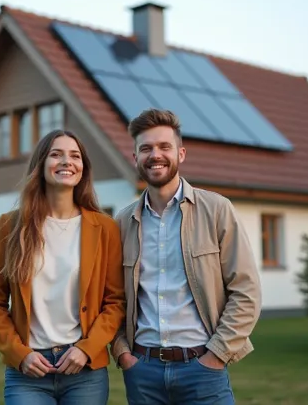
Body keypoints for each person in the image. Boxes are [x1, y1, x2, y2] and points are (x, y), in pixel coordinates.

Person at [112, 109, 262, 405]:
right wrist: (122, 353)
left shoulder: (217, 210)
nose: (155, 155)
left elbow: (246, 291)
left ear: (181, 154)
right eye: (146, 148)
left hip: (203, 369)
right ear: (135, 158)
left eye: (164, 147)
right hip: (143, 372)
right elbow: (112, 297)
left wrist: (217, 355)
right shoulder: (122, 222)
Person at [0, 129, 125, 405]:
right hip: (28, 372)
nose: (66, 161)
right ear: (41, 164)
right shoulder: (11, 226)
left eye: (75, 156)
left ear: (83, 168)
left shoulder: (104, 227)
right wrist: (19, 354)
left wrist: (87, 349)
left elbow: (116, 301)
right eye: (56, 154)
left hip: (84, 371)